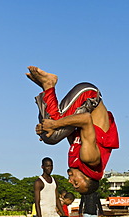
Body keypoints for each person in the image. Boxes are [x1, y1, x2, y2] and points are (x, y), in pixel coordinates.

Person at [26, 66, 119, 195]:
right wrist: (55, 124)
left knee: (49, 134)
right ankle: (48, 84)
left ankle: (46, 87)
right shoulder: (90, 158)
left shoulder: (79, 161)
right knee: (51, 135)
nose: (70, 181)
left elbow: (72, 130)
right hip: (89, 98)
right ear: (86, 177)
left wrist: (48, 128)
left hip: (86, 103)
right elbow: (85, 119)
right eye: (76, 183)